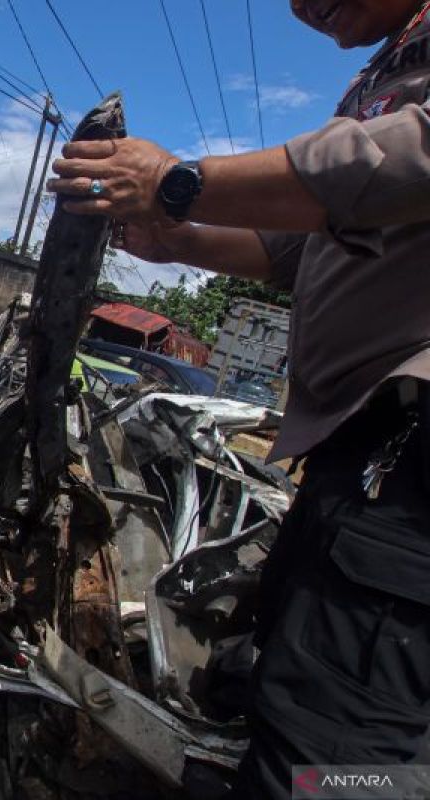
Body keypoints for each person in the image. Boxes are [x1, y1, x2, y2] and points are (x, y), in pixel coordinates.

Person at [49, 1, 430, 795]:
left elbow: (397, 164)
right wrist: (172, 233)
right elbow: (297, 247)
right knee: (284, 678)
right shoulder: (384, 70)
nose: (305, 5)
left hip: (415, 462)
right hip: (356, 453)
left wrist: (176, 182)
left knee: (338, 750)